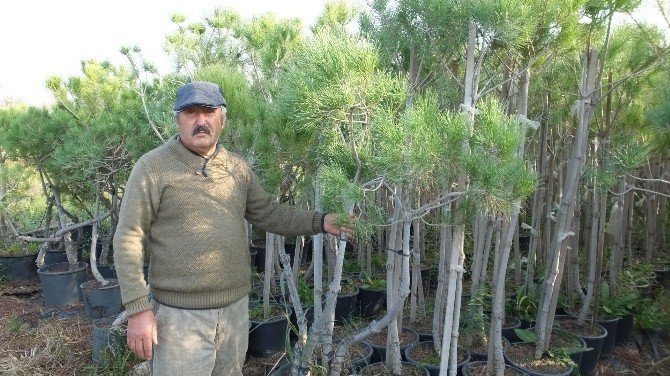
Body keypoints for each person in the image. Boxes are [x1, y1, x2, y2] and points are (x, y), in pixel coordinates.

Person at [113, 81, 354, 375]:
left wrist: (320, 221)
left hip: (235, 312)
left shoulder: (236, 168)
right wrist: (138, 310)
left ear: (222, 119)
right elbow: (128, 236)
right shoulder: (152, 167)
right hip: (180, 319)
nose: (201, 121)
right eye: (191, 112)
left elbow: (268, 212)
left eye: (209, 111)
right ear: (177, 119)